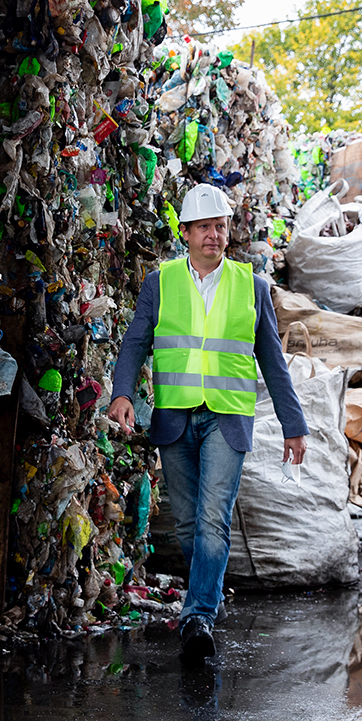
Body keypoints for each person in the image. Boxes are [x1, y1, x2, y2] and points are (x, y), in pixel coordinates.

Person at [109, 184, 308, 661]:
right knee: (187, 523)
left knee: (214, 521)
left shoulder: (252, 286)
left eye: (220, 226)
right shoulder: (160, 283)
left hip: (228, 418)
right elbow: (136, 341)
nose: (214, 236)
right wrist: (121, 393)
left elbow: (273, 361)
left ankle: (198, 614)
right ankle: (202, 605)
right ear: (186, 233)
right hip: (176, 416)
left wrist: (293, 423)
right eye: (204, 227)